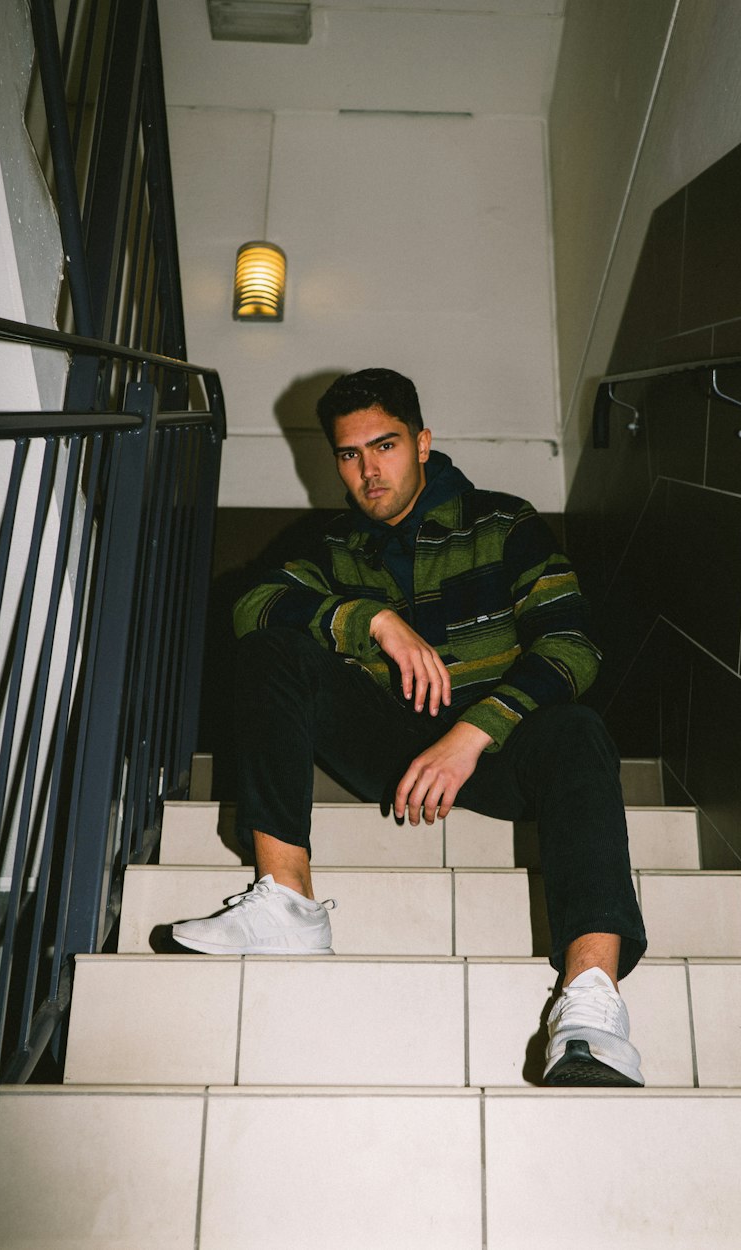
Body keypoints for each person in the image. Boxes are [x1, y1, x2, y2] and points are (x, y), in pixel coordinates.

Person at [172, 368, 648, 1087]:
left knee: (577, 730)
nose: (367, 471)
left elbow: (573, 646)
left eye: (385, 445)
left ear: (423, 442)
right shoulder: (332, 547)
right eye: (349, 453)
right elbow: (253, 606)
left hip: (500, 748)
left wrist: (474, 731)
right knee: (273, 645)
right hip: (387, 749)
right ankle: (287, 901)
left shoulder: (503, 522)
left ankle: (590, 1008)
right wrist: (372, 621)